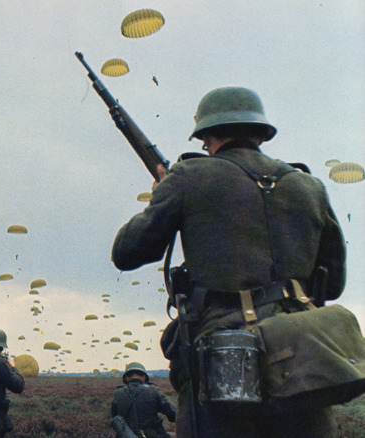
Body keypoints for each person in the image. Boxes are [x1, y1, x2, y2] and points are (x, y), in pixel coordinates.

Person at [111, 86, 346, 438]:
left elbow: (126, 253)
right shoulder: (309, 185)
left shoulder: (189, 177)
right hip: (303, 359)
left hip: (224, 361)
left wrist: (165, 193)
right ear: (260, 133)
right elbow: (336, 282)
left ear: (207, 135)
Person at [110, 362, 175, 438]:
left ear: (126, 378)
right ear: (144, 377)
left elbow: (114, 417)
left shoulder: (117, 393)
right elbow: (173, 415)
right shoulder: (153, 390)